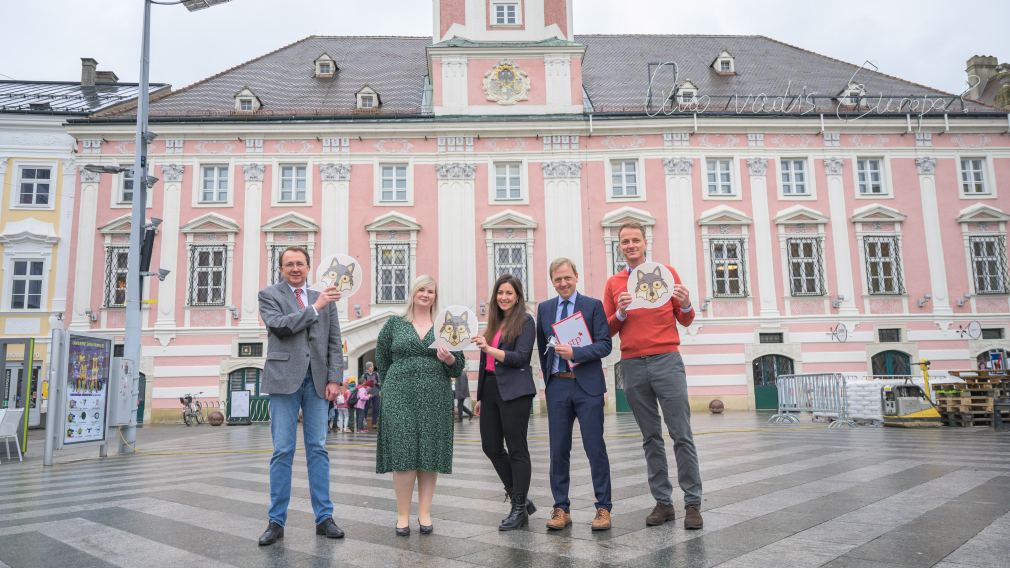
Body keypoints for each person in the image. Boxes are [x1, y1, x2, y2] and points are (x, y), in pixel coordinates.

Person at [602, 221, 703, 530]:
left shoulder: (667, 273)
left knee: (681, 434)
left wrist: (686, 303)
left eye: (635, 240)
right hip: (632, 364)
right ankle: (662, 502)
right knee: (650, 438)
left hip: (666, 360)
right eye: (625, 241)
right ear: (619, 247)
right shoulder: (614, 284)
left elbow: (685, 319)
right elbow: (605, 331)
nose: (630, 245)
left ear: (645, 243)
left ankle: (692, 503)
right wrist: (619, 313)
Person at [256, 246, 345, 546]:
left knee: (318, 448)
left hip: (318, 381)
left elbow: (335, 341)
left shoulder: (324, 298)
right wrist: (316, 306)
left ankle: (324, 518)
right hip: (283, 379)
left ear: (309, 267)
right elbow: (280, 327)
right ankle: (276, 521)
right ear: (280, 268)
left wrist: (335, 378)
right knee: (282, 450)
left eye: (300, 263)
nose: (295, 268)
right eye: (289, 264)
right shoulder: (269, 296)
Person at [375, 275, 465, 536]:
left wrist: (448, 359)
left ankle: (424, 512)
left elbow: (458, 367)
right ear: (413, 293)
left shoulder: (445, 327)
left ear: (436, 296)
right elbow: (382, 358)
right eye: (421, 290)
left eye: (431, 291)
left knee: (429, 454)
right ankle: (402, 515)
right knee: (403, 454)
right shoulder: (394, 324)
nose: (426, 294)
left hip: (435, 395)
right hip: (399, 394)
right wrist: (391, 386)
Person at [535, 258, 613, 531]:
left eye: (567, 277)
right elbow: (541, 347)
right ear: (552, 281)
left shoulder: (592, 306)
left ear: (576, 276)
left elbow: (605, 345)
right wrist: (548, 382)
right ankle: (561, 508)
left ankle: (603, 508)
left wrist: (576, 353)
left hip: (587, 386)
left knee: (595, 448)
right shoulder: (544, 309)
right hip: (557, 386)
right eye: (558, 279)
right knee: (558, 450)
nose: (563, 283)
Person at [472, 274, 537, 531]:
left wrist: (489, 349)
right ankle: (518, 494)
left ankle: (519, 507)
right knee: (490, 446)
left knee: (517, 448)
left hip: (515, 391)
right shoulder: (493, 323)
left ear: (517, 296)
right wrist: (479, 397)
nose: (504, 297)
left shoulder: (525, 321)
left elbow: (521, 357)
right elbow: (483, 364)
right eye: (500, 293)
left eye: (509, 293)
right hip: (490, 389)